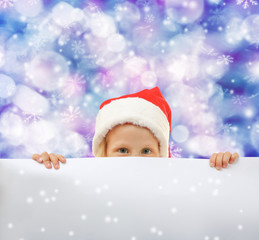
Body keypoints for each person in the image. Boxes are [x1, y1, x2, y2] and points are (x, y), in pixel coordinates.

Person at [32, 87, 240, 170]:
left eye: (146, 151)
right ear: (103, 153)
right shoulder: (87, 184)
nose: (135, 159)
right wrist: (50, 169)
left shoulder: (174, 188)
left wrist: (223, 169)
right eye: (122, 150)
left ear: (161, 154)